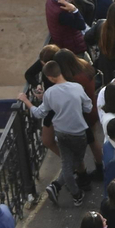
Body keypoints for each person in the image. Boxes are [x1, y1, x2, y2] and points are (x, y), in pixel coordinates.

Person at [32, 65, 92, 209]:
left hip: (62, 133)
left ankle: (58, 187)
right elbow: (88, 107)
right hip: (78, 133)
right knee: (73, 164)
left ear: (50, 78)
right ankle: (75, 194)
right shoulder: (77, 87)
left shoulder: (50, 93)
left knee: (68, 164)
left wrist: (26, 101)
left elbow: (39, 113)